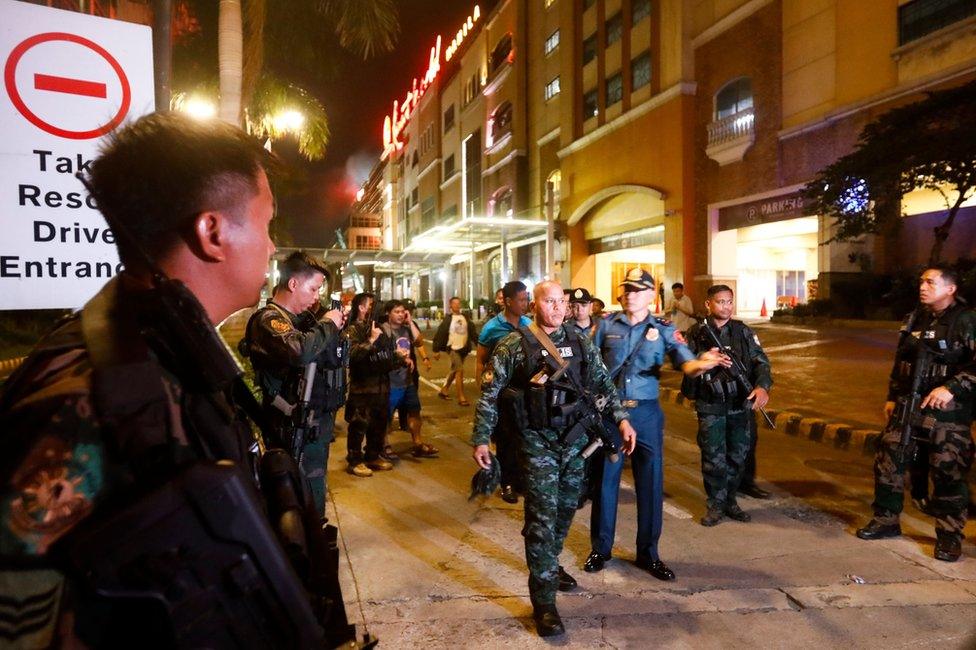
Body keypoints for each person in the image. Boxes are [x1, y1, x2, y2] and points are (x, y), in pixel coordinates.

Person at [0, 112, 361, 645]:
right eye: (265, 224)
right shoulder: (88, 405)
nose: (270, 246)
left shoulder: (167, 354)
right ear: (212, 231)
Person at [471, 281, 637, 637]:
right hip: (537, 443)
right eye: (551, 301)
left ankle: (548, 562)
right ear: (535, 304)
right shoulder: (514, 345)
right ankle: (544, 603)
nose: (559, 307)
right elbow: (489, 393)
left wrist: (622, 419)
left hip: (575, 443)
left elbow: (604, 384)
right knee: (542, 520)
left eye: (562, 301)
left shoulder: (580, 342)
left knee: (565, 511)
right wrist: (481, 438)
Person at [586, 268, 726, 581]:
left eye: (638, 290)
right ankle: (601, 549)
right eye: (627, 289)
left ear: (652, 295)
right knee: (606, 483)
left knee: (650, 484)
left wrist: (702, 363)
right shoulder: (605, 325)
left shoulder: (663, 328)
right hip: (610, 413)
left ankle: (648, 554)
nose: (630, 294)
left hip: (647, 414)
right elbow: (588, 366)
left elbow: (685, 362)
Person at [857, 266, 976, 562]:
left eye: (931, 282)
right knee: (889, 455)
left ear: (950, 289)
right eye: (921, 281)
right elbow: (902, 360)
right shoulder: (915, 318)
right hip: (908, 404)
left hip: (949, 410)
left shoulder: (965, 320)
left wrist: (952, 387)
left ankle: (949, 535)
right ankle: (886, 519)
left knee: (947, 466)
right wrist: (891, 396)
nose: (923, 286)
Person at [240, 250, 345, 518]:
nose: (315, 296)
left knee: (311, 487)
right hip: (288, 425)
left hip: (309, 424)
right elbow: (299, 350)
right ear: (294, 283)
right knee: (297, 496)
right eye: (313, 288)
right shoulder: (269, 320)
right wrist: (327, 325)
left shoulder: (296, 321)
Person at [682, 285, 772, 526]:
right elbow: (684, 363)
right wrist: (704, 360)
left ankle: (730, 500)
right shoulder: (697, 333)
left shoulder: (742, 332)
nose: (726, 306)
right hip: (710, 406)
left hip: (739, 405)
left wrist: (762, 387)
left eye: (730, 301)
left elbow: (761, 362)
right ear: (708, 304)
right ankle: (716, 504)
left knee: (738, 456)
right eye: (720, 302)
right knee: (713, 458)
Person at [476, 281, 532, 503]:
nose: (525, 303)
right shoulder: (492, 328)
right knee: (505, 440)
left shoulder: (529, 325)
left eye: (526, 299)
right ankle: (507, 483)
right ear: (508, 302)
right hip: (501, 393)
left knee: (524, 438)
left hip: (524, 393)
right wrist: (484, 394)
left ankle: (521, 480)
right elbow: (480, 362)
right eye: (521, 300)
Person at [345, 292, 399, 476]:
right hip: (362, 389)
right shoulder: (353, 329)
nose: (374, 308)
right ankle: (354, 460)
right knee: (359, 425)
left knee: (379, 424)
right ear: (361, 307)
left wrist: (399, 358)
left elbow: (385, 357)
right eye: (370, 305)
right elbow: (351, 356)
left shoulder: (379, 328)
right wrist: (371, 340)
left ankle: (373, 455)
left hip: (381, 388)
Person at [383, 300, 439, 458]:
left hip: (408, 381)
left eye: (403, 312)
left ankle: (418, 443)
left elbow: (419, 341)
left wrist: (410, 322)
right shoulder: (384, 330)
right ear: (388, 313)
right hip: (391, 382)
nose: (401, 315)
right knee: (386, 416)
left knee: (414, 412)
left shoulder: (407, 328)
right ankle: (385, 445)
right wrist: (401, 359)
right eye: (397, 312)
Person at [433, 296, 478, 405]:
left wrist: (479, 344)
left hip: (464, 349)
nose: (457, 305)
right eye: (455, 303)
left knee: (454, 370)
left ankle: (444, 390)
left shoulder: (465, 318)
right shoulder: (448, 320)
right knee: (460, 370)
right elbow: (440, 334)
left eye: (459, 303)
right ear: (451, 305)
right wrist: (436, 350)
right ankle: (461, 397)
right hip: (453, 348)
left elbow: (472, 332)